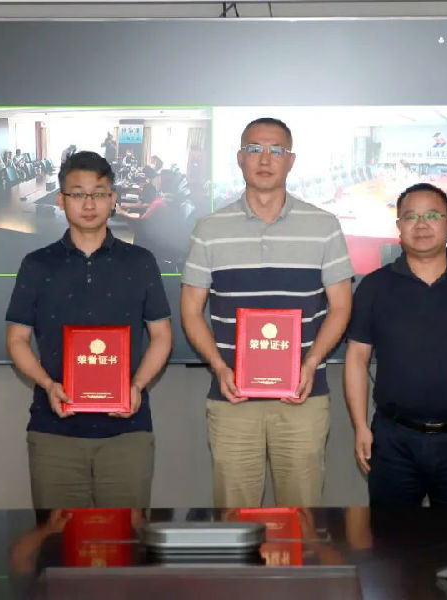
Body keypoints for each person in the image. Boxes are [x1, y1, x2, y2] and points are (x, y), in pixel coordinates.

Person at [180, 117, 354, 508]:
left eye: (276, 150)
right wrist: (219, 368)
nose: (265, 159)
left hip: (302, 398)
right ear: (239, 158)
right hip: (233, 398)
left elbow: (342, 306)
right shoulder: (209, 228)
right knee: (235, 519)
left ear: (291, 160)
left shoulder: (324, 226)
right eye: (254, 149)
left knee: (301, 518)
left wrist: (310, 364)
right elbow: (190, 311)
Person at [6, 151, 172, 509]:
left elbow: (162, 336)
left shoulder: (140, 262)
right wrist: (47, 384)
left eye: (99, 193)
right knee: (58, 538)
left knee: (126, 538)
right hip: (54, 429)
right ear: (60, 200)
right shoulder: (36, 264)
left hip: (128, 431)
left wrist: (137, 385)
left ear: (113, 199)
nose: (89, 203)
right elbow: (17, 340)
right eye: (78, 194)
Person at [343, 182, 447, 506]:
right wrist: (360, 426)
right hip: (393, 440)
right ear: (399, 226)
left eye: (432, 216)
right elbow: (357, 359)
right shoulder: (374, 287)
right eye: (411, 217)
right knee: (391, 536)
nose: (421, 225)